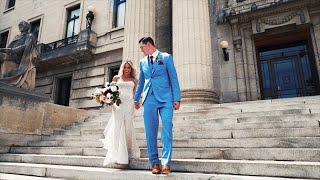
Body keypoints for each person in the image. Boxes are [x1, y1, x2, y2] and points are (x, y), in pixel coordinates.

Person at [134, 37, 181, 174]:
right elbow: (141, 82)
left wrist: (176, 98)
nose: (141, 50)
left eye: (142, 47)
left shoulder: (166, 58)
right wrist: (136, 99)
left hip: (166, 98)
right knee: (150, 131)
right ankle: (154, 163)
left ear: (148, 44)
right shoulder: (143, 62)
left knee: (167, 128)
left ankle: (166, 163)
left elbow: (174, 78)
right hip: (149, 98)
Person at [100, 59, 140, 168]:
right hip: (118, 105)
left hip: (129, 105)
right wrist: (107, 98)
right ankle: (117, 155)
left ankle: (128, 150)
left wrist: (137, 102)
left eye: (129, 68)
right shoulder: (116, 78)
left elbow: (135, 93)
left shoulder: (135, 80)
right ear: (122, 68)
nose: (127, 69)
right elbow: (110, 91)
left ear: (131, 69)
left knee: (128, 127)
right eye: (125, 67)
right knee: (117, 127)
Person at [0, 21, 39, 90]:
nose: (20, 27)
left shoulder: (29, 36)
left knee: (2, 56)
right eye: (19, 26)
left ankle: (5, 80)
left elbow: (25, 46)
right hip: (11, 55)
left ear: (26, 27)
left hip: (20, 58)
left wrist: (10, 50)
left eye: (22, 25)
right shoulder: (17, 37)